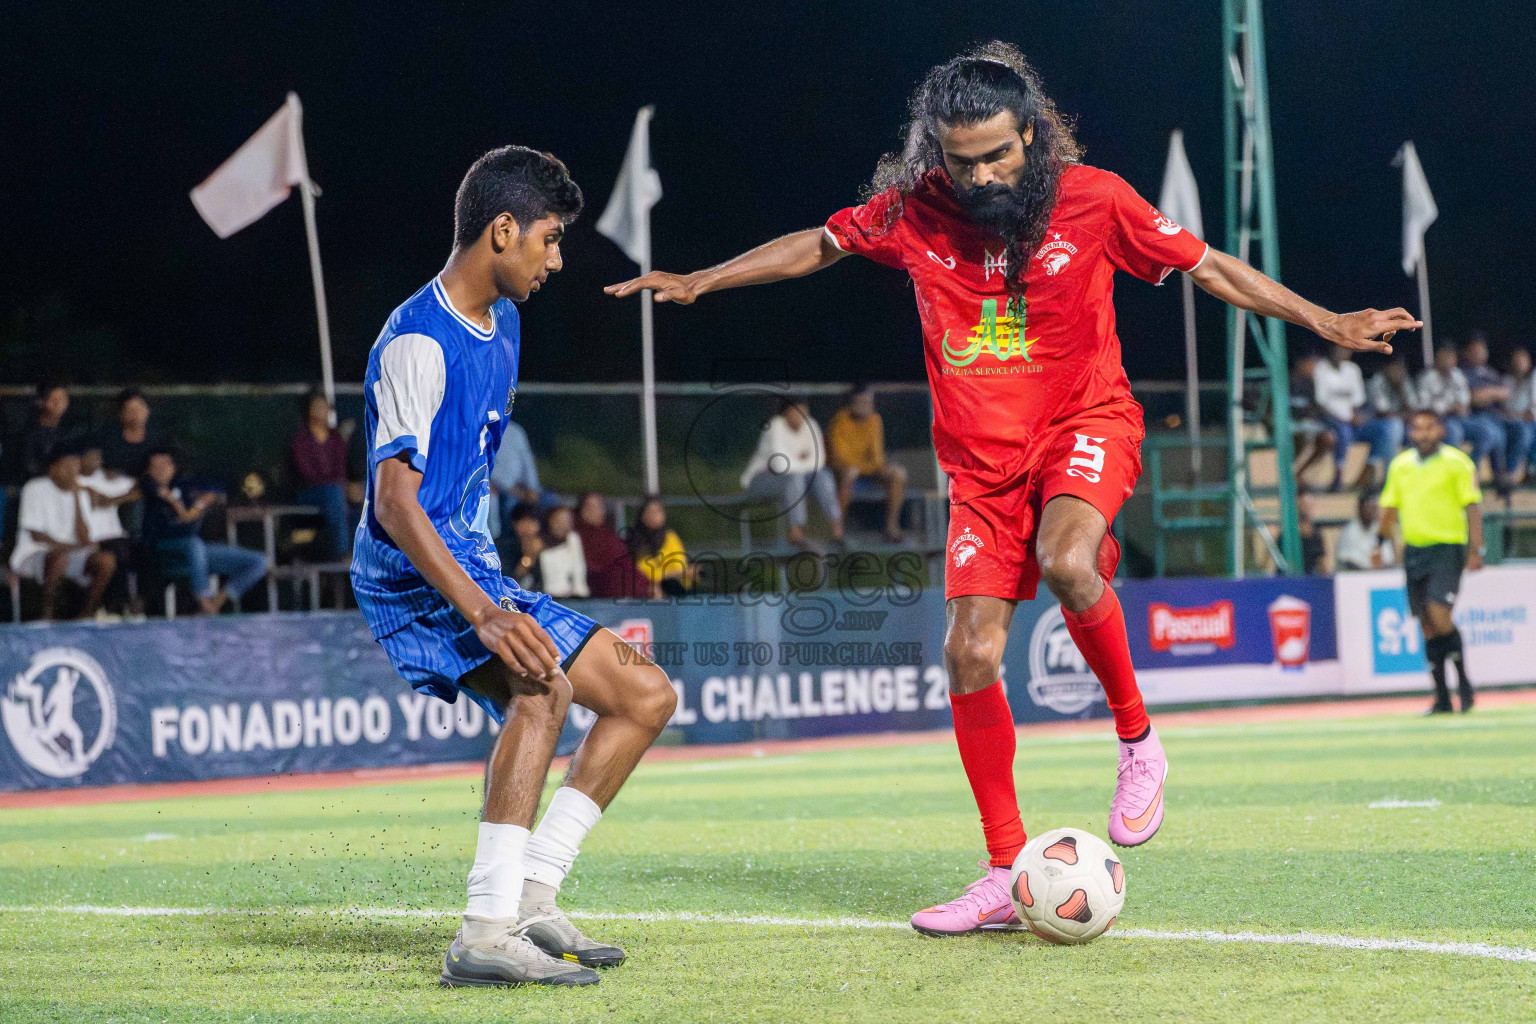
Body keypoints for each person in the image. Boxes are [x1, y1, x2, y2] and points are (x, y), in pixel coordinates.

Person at [607, 43, 1417, 934]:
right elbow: (819, 243)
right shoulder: (916, 213)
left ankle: (1139, 742)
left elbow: (1212, 267)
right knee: (970, 656)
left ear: (1031, 134)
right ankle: (1002, 871)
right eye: (963, 161)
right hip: (979, 470)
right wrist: (701, 279)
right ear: (937, 155)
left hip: (1086, 426)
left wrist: (1327, 320)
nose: (984, 173)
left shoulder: (1097, 200)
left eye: (998, 153)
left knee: (1071, 562)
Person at [350, 147, 676, 988]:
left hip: (476, 566)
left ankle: (532, 894)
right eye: (550, 239)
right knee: (542, 689)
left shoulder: (508, 323)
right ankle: (485, 931)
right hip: (410, 572)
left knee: (646, 694)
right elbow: (395, 502)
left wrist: (495, 586)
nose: (557, 259)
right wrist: (486, 612)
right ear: (503, 230)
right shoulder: (416, 341)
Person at [1378, 410, 1483, 714]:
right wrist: (1380, 540)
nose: (1423, 434)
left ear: (1440, 430)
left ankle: (1463, 683)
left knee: (1439, 614)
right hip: (1415, 551)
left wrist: (1477, 549)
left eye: (1429, 428)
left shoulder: (1457, 463)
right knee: (1426, 624)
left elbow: (1472, 507)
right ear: (1410, 433)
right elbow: (1390, 508)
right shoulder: (1400, 466)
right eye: (1417, 428)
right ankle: (1441, 697)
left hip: (1448, 548)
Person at [142, 449, 267, 615]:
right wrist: (176, 505)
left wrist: (199, 504)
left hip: (196, 554)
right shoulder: (146, 488)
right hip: (165, 553)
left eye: (166, 464)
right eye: (156, 466)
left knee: (258, 562)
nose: (162, 469)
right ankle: (203, 598)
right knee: (194, 544)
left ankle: (214, 605)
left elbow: (212, 493)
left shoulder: (184, 486)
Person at [8, 445, 116, 620]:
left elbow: (84, 537)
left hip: (70, 553)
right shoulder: (35, 488)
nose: (72, 471)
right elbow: (37, 535)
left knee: (106, 561)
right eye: (67, 466)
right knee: (59, 559)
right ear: (52, 470)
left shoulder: (79, 493)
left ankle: (85, 615)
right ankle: (47, 616)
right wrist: (72, 547)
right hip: (34, 554)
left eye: (75, 466)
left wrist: (76, 499)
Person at [739, 399, 844, 551]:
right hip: (761, 481)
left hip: (796, 479)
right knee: (794, 479)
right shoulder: (775, 426)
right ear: (786, 413)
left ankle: (837, 530)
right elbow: (780, 465)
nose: (801, 416)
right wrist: (803, 459)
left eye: (804, 412)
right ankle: (796, 533)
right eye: (796, 411)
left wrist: (794, 460)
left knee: (824, 476)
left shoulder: (811, 425)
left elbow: (819, 462)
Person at [1312, 344, 1403, 490]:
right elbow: (1320, 403)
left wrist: (1355, 416)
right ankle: (1338, 477)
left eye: (1345, 348)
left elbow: (1357, 401)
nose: (1342, 352)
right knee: (1343, 431)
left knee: (1388, 428)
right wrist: (1345, 419)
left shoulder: (1352, 369)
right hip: (1330, 419)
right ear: (1331, 349)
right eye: (1338, 347)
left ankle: (1379, 473)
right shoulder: (1321, 368)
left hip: (1353, 420)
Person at [827, 384, 908, 541]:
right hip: (845, 472)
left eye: (868, 402)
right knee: (849, 473)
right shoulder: (840, 420)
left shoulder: (875, 420)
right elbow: (840, 458)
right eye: (861, 401)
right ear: (852, 402)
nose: (865, 405)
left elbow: (877, 458)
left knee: (898, 474)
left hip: (868, 471)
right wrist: (861, 466)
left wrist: (870, 467)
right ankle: (838, 530)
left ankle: (891, 528)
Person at [290, 389, 353, 559]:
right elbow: (307, 476)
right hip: (308, 493)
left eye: (325, 407)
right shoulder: (301, 440)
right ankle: (342, 553)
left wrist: (348, 488)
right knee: (334, 493)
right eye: (318, 406)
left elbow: (341, 471)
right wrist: (339, 487)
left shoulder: (336, 439)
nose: (323, 411)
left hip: (335, 492)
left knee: (364, 494)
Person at [78, 445, 138, 611]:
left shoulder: (105, 478)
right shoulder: (74, 479)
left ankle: (124, 605)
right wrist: (86, 489)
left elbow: (137, 489)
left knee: (138, 551)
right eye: (91, 457)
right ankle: (116, 605)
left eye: (99, 458)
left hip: (116, 536)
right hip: (92, 537)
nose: (96, 462)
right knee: (117, 554)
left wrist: (112, 500)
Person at [573, 491, 655, 599]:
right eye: (590, 507)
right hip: (605, 594)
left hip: (635, 590)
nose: (595, 511)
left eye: (599, 507)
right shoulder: (576, 536)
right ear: (581, 510)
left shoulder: (608, 535)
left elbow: (627, 564)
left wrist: (647, 585)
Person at [1418, 345, 1490, 464]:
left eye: (1451, 356)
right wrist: (1448, 409)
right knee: (1454, 432)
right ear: (1437, 358)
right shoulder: (1427, 377)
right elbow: (1424, 407)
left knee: (1486, 432)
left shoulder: (1457, 374)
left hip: (1458, 418)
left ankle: (1470, 466)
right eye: (1445, 356)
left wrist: (1462, 406)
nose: (1448, 360)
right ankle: (1450, 468)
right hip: (1438, 419)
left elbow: (1464, 399)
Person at [1459, 335, 1512, 490]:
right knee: (1492, 433)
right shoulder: (1462, 372)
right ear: (1466, 352)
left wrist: (1488, 393)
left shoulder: (1489, 372)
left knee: (1516, 430)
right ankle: (1470, 467)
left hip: (1494, 415)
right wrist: (1492, 393)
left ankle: (1505, 474)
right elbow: (1474, 399)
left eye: (1481, 350)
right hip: (1473, 416)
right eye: (1474, 351)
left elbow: (1506, 393)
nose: (1478, 354)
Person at [489, 420, 555, 539]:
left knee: (553, 502)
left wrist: (532, 487)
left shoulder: (514, 429)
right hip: (498, 488)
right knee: (507, 509)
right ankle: (504, 544)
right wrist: (513, 490)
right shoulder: (483, 429)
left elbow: (526, 459)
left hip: (522, 486)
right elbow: (487, 466)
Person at [626, 497, 693, 597]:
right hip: (648, 590)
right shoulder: (636, 540)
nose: (656, 515)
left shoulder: (670, 537)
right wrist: (674, 573)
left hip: (675, 587)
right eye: (652, 512)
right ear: (642, 516)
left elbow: (680, 565)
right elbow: (645, 573)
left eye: (659, 511)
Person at [100, 388, 162, 479]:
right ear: (121, 414)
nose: (136, 415)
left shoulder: (160, 441)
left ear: (147, 410)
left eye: (139, 409)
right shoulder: (108, 440)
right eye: (131, 410)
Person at [21, 381, 73, 480]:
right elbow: (29, 467)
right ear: (42, 402)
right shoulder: (30, 434)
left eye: (63, 399)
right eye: (54, 399)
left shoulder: (67, 433)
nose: (59, 404)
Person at [1334, 491, 1395, 571]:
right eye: (1369, 507)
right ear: (1360, 508)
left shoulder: (1379, 529)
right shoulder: (1350, 530)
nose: (1373, 511)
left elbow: (1389, 559)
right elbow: (1348, 562)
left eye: (1374, 507)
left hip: (1378, 576)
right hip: (1355, 577)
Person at [539, 504, 588, 599]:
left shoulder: (574, 540)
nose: (563, 525)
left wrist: (580, 591)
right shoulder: (539, 544)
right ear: (550, 521)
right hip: (547, 597)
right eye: (558, 521)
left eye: (567, 521)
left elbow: (579, 569)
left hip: (574, 598)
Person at [1502, 348, 1536, 486]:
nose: (1519, 364)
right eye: (1517, 361)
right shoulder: (1506, 380)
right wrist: (1522, 414)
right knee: (1525, 433)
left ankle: (1531, 471)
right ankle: (1510, 472)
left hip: (1528, 421)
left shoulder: (1532, 379)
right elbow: (1505, 408)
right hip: (1510, 421)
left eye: (1523, 361)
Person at [1296, 492, 1326, 574]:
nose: (1306, 508)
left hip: (1310, 576)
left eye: (1309, 506)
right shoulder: (1288, 533)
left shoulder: (1316, 534)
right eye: (1303, 505)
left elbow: (1321, 560)